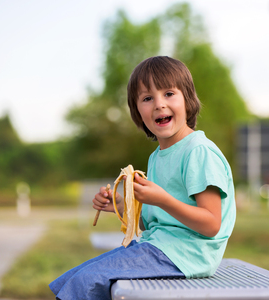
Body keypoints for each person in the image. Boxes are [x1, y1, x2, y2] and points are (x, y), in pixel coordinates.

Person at [49, 56, 236, 300]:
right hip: (159, 247)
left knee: (87, 282)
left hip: (187, 254)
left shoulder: (198, 151)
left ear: (188, 100)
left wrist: (162, 199)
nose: (159, 104)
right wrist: (118, 204)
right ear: (138, 112)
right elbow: (154, 222)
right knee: (73, 277)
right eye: (148, 98)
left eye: (169, 93)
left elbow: (211, 224)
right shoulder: (157, 157)